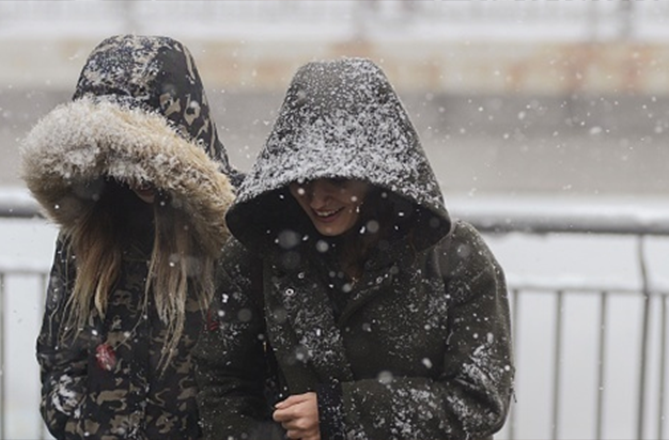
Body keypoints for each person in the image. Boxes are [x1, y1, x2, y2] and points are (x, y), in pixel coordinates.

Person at [194, 58, 514, 440]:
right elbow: (222, 383)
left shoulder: (457, 257)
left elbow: (479, 399)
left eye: (336, 179)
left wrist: (340, 414)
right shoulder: (254, 257)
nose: (316, 197)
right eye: (300, 180)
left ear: (378, 175)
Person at [21, 34, 238, 439]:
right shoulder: (90, 229)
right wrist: (85, 425)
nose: (137, 174)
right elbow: (59, 358)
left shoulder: (235, 230)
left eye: (146, 158)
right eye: (121, 157)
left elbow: (257, 374)